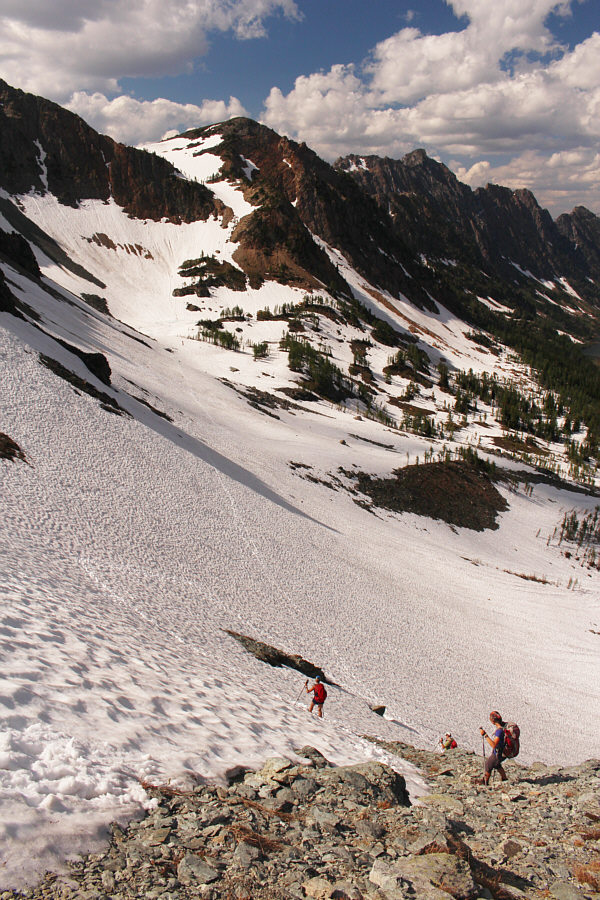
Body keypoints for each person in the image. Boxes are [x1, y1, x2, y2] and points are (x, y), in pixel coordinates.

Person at [480, 710, 508, 785]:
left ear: (493, 721)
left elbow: (493, 745)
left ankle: (485, 782)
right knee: (496, 764)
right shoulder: (503, 729)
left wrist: (485, 735)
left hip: (497, 753)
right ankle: (504, 779)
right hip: (500, 752)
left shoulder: (499, 731)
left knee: (488, 765)